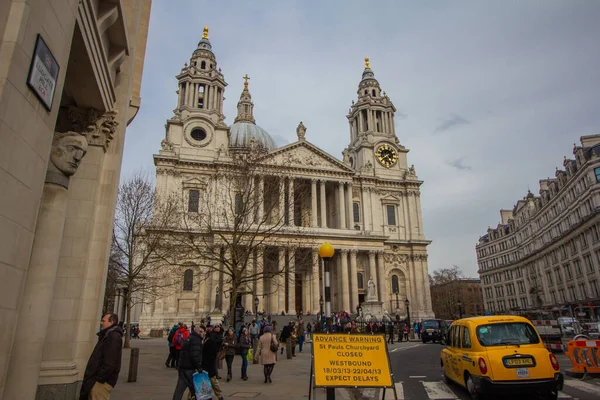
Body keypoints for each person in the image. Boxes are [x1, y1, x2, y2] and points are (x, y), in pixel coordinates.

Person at [80, 313, 123, 400]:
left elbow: (110, 362)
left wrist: (100, 378)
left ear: (111, 322)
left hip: (101, 382)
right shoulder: (107, 335)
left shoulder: (113, 337)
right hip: (96, 380)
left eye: (103, 321)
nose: (101, 323)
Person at [172, 325, 204, 400]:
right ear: (199, 332)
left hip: (182, 367)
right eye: (202, 332)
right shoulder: (196, 340)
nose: (203, 333)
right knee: (197, 388)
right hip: (190, 368)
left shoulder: (188, 338)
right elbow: (194, 355)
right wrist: (198, 367)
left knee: (180, 389)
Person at [202, 326, 224, 400]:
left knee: (210, 382)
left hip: (207, 366)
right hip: (209, 366)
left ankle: (213, 396)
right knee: (212, 382)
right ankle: (217, 396)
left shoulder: (207, 342)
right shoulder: (208, 342)